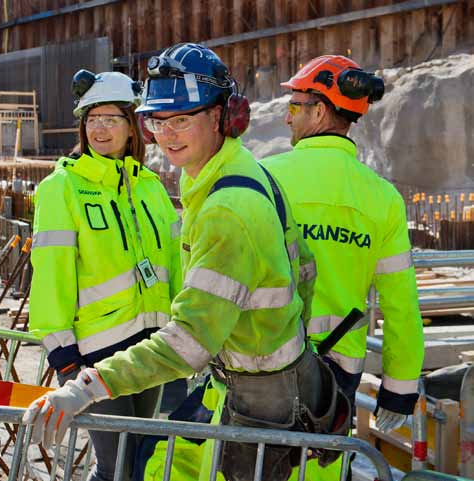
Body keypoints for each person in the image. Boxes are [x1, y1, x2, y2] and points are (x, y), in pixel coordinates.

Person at [24, 43, 349, 481]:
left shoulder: (223, 206)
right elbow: (303, 272)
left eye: (181, 119)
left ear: (220, 117)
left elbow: (190, 340)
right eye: (158, 121)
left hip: (251, 399)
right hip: (244, 381)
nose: (168, 134)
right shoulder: (240, 175)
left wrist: (85, 388)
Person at [28, 69, 182, 481]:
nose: (99, 128)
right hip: (96, 354)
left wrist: (185, 332)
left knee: (137, 462)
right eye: (91, 118)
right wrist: (62, 355)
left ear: (131, 128)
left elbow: (174, 265)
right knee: (116, 468)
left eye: (110, 119)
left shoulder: (150, 187)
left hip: (151, 350)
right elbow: (51, 274)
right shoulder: (63, 187)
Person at [262, 56, 424, 435]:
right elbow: (400, 305)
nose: (288, 118)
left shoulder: (266, 178)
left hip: (262, 366)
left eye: (294, 107)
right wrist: (399, 391)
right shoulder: (382, 198)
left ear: (318, 112)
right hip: (338, 378)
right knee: (325, 466)